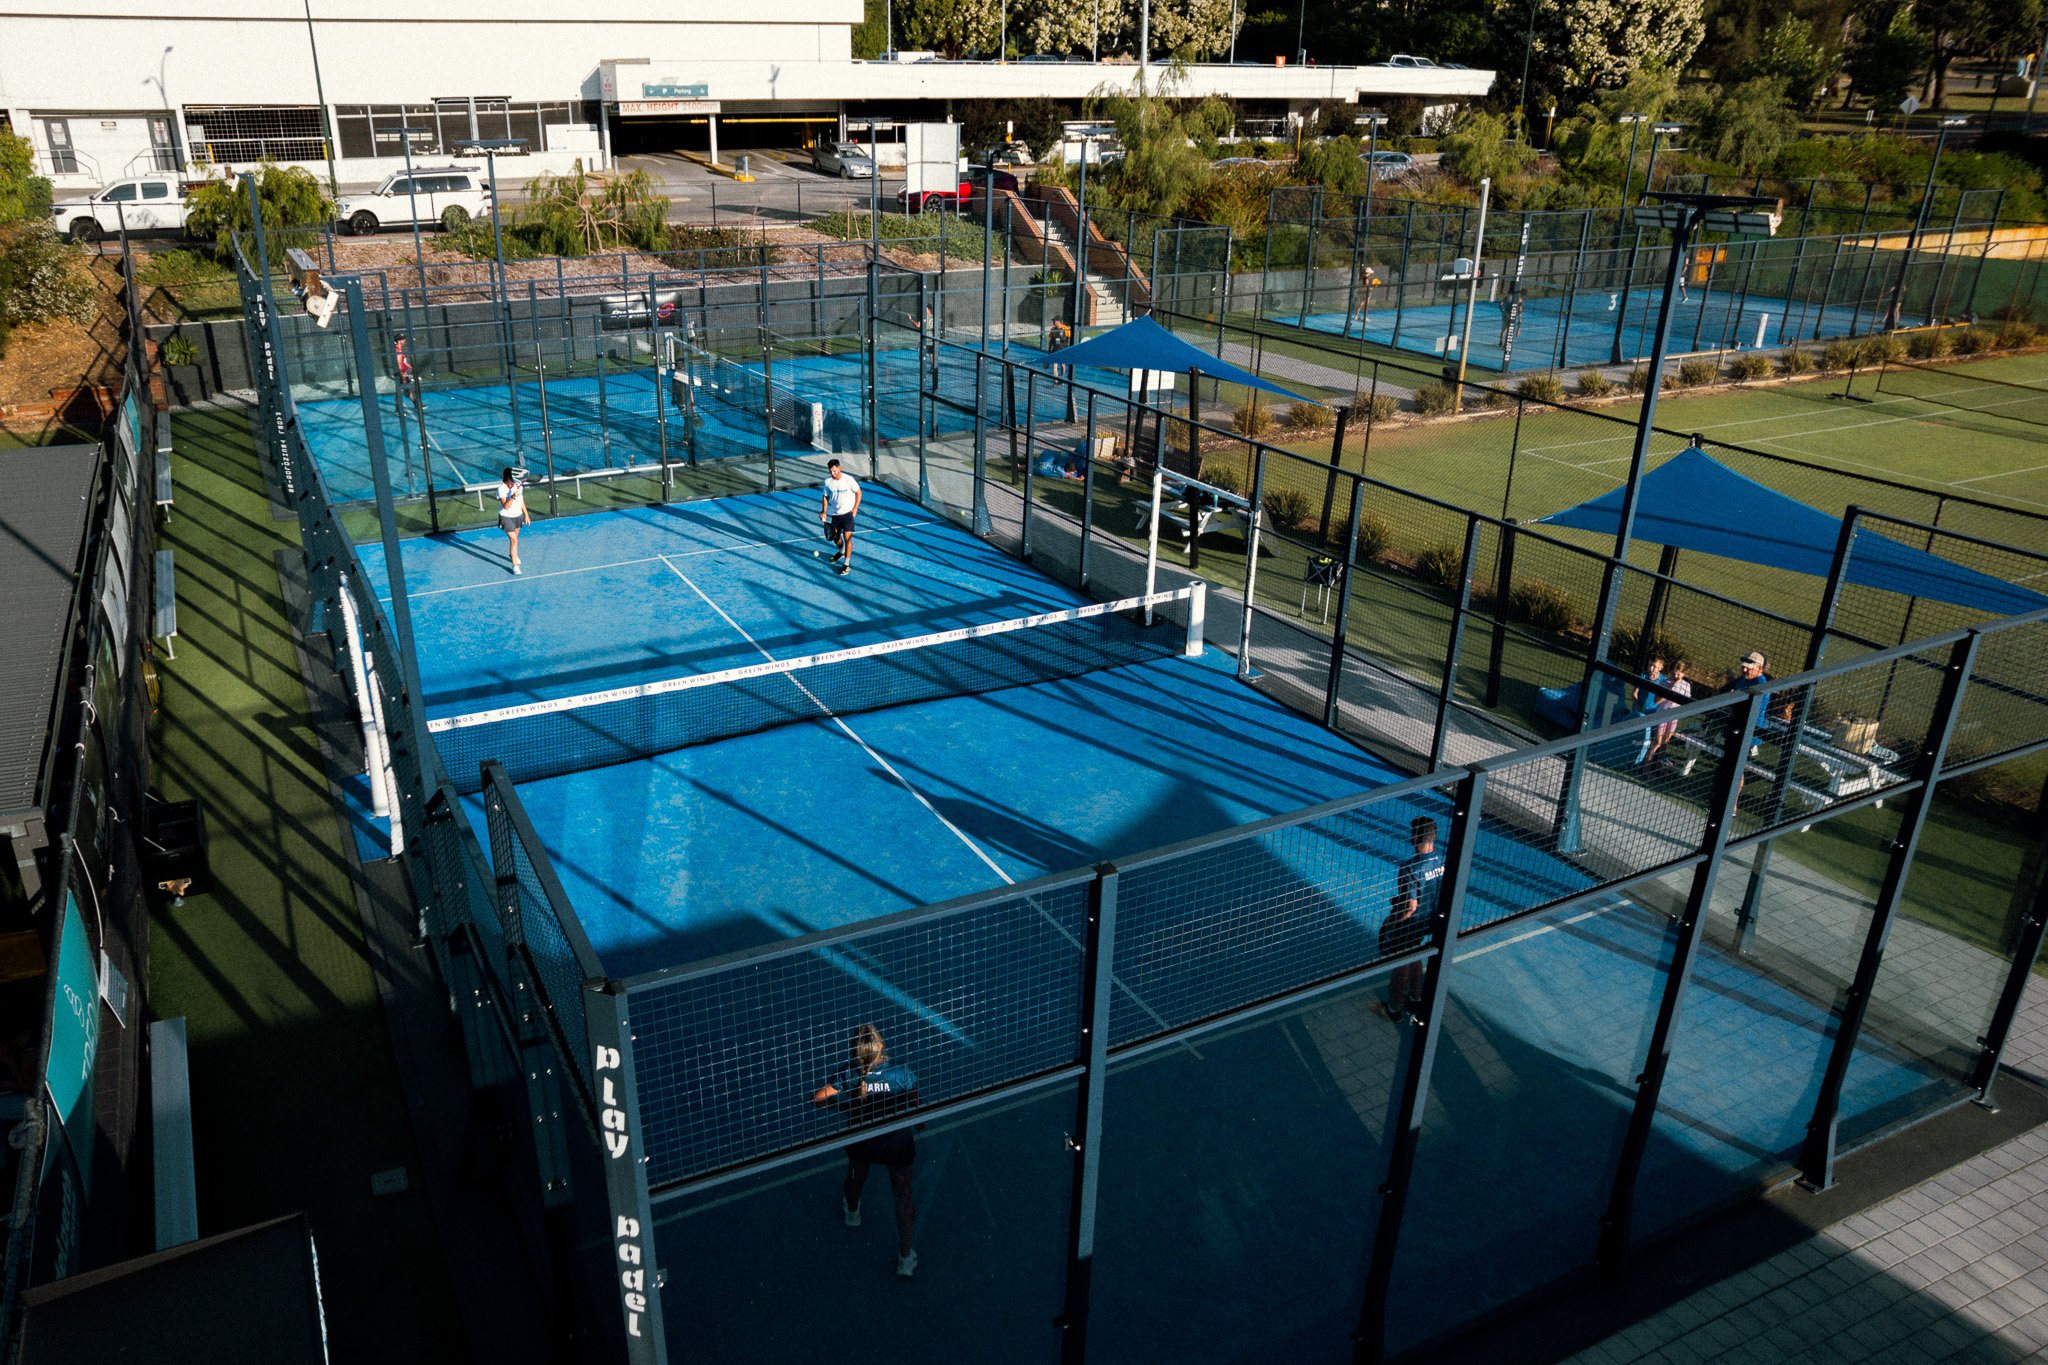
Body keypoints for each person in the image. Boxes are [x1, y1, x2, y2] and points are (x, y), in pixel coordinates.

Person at [812, 1024, 920, 1278]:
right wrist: (920, 1122)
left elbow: (818, 1098)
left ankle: (852, 1212)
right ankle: (905, 1258)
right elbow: (917, 1106)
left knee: (856, 1175)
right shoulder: (900, 1074)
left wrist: (846, 1110)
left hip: (863, 1142)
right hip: (897, 1145)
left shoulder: (848, 1074)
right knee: (903, 1197)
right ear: (880, 1046)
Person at [1381, 817, 1446, 1024]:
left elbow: (1411, 907)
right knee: (1415, 953)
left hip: (1412, 922)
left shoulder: (1409, 868)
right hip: (1433, 919)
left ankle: (1393, 1009)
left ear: (1416, 837)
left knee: (1401, 964)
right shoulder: (1442, 860)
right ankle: (1415, 998)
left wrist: (1393, 922)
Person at [1643, 658, 1692, 767]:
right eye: (1673, 673)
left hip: (1674, 716)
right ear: (1669, 672)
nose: (1676, 675)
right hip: (1662, 714)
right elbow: (1656, 701)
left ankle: (1658, 766)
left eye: (1679, 673)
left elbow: (1686, 701)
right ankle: (1646, 766)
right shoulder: (1664, 682)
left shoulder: (1686, 686)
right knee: (1657, 742)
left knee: (1665, 742)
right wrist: (1670, 687)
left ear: (1683, 673)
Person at [818, 458, 862, 576]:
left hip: (848, 514)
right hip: (835, 515)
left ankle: (846, 564)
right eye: (831, 471)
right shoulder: (828, 482)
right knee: (835, 537)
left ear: (839, 468)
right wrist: (823, 511)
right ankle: (841, 551)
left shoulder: (848, 480)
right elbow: (825, 497)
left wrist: (855, 508)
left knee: (848, 538)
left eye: (835, 471)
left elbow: (859, 492)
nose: (833, 473)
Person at [495, 466, 530, 574]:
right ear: (507, 478)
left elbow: (521, 500)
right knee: (514, 540)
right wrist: (513, 496)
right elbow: (505, 506)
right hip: (506, 517)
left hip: (518, 516)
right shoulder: (501, 489)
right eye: (512, 478)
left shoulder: (518, 485)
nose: (515, 479)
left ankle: (512, 554)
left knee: (515, 539)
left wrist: (526, 515)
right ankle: (515, 566)